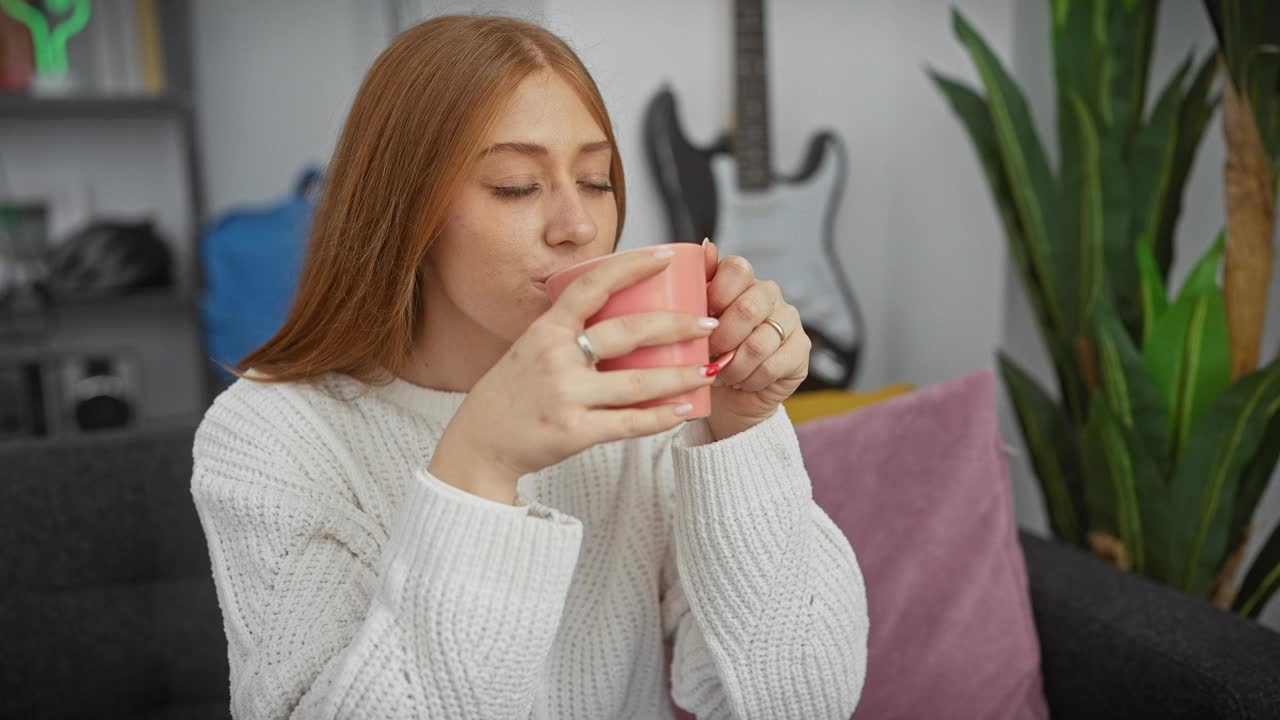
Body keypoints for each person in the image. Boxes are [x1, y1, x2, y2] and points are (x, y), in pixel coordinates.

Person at [191, 14, 867, 720]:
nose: (576, 225)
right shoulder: (268, 436)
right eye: (516, 186)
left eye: (597, 180)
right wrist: (479, 468)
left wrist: (742, 431)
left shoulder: (643, 403)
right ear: (403, 210)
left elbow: (803, 700)